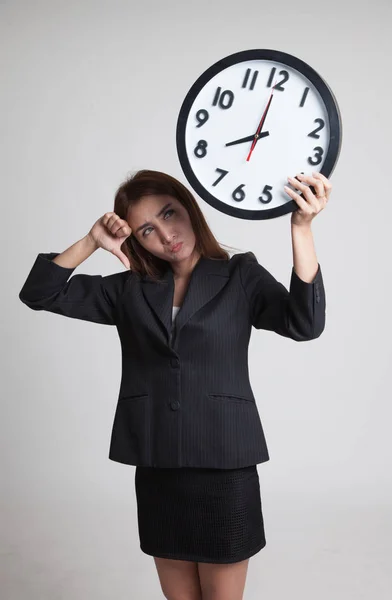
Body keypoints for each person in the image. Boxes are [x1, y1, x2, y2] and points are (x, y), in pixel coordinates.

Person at [18, 168, 330, 600]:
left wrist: (301, 227)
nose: (166, 234)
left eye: (169, 214)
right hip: (158, 464)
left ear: (189, 207)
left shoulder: (240, 275)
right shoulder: (130, 289)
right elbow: (39, 293)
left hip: (224, 464)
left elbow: (305, 322)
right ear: (136, 239)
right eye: (147, 229)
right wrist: (91, 240)